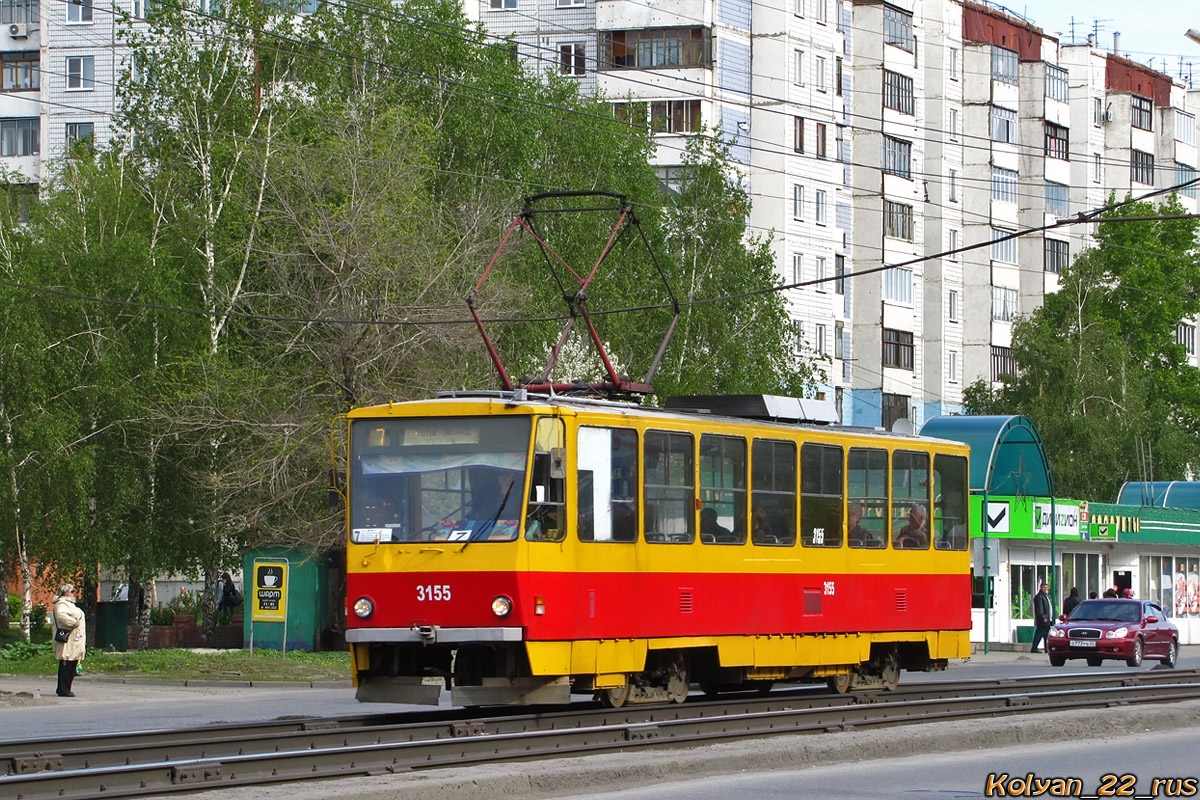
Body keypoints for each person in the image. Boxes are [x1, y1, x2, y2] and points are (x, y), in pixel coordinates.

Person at [52, 583, 86, 698]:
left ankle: (66, 688)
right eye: (72, 591)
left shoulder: (69, 604)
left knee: (72, 664)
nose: (74, 593)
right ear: (65, 592)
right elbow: (62, 616)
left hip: (74, 640)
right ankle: (63, 689)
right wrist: (75, 623)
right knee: (66, 663)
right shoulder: (61, 604)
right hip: (68, 640)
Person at [1030, 581, 1052, 654]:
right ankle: (1034, 647)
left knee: (1046, 634)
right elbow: (1040, 608)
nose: (1045, 589)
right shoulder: (1039, 596)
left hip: (1048, 618)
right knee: (1039, 633)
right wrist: (1043, 617)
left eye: (1046, 587)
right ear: (1041, 587)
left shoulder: (1046, 596)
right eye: (1044, 587)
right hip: (1043, 619)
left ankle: (1047, 648)